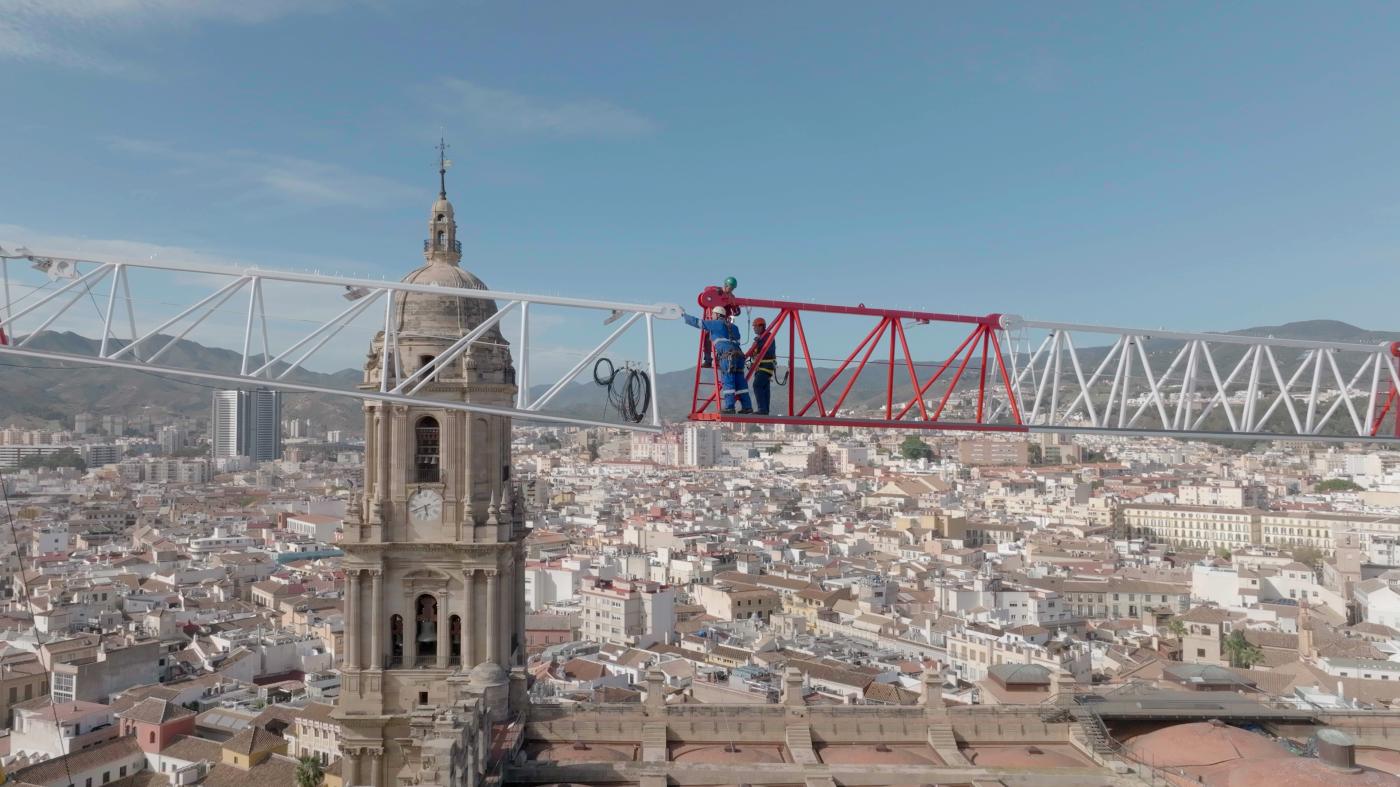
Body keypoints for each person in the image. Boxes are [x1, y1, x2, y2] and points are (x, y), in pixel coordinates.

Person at [684, 306, 753, 414]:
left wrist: (684, 315)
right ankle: (747, 407)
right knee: (740, 383)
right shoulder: (734, 327)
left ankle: (730, 407)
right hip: (739, 356)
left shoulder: (716, 324)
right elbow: (737, 341)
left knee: (728, 381)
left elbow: (699, 323)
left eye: (713, 314)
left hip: (728, 357)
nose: (712, 316)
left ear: (716, 315)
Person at [697, 276, 740, 368]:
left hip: (723, 322)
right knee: (707, 339)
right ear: (726, 285)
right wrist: (716, 290)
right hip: (712, 319)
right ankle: (708, 360)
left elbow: (733, 308)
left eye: (733, 288)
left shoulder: (731, 297)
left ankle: (719, 360)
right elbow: (706, 290)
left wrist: (736, 309)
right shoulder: (716, 291)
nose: (731, 290)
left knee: (722, 340)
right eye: (730, 287)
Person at [748, 316, 778, 415]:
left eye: (755, 326)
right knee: (764, 388)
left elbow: (768, 351)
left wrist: (758, 343)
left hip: (765, 366)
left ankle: (762, 409)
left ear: (761, 326)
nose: (754, 328)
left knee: (757, 385)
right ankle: (765, 410)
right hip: (762, 367)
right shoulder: (761, 338)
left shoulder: (767, 336)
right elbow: (756, 352)